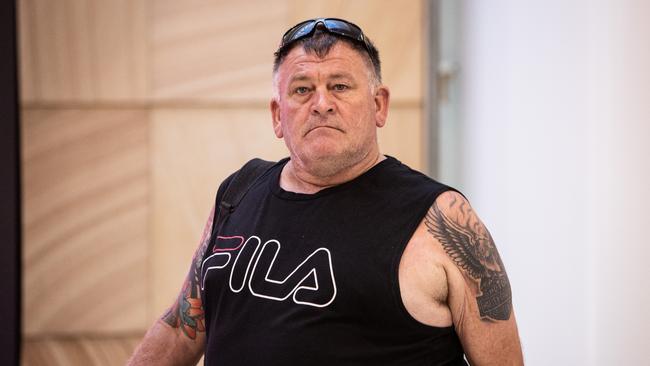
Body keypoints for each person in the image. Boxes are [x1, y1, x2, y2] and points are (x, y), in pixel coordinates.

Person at [128, 18, 523, 365]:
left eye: (340, 86)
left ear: (379, 106)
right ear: (277, 115)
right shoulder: (240, 189)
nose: (321, 104)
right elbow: (182, 327)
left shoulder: (440, 217)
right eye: (302, 90)